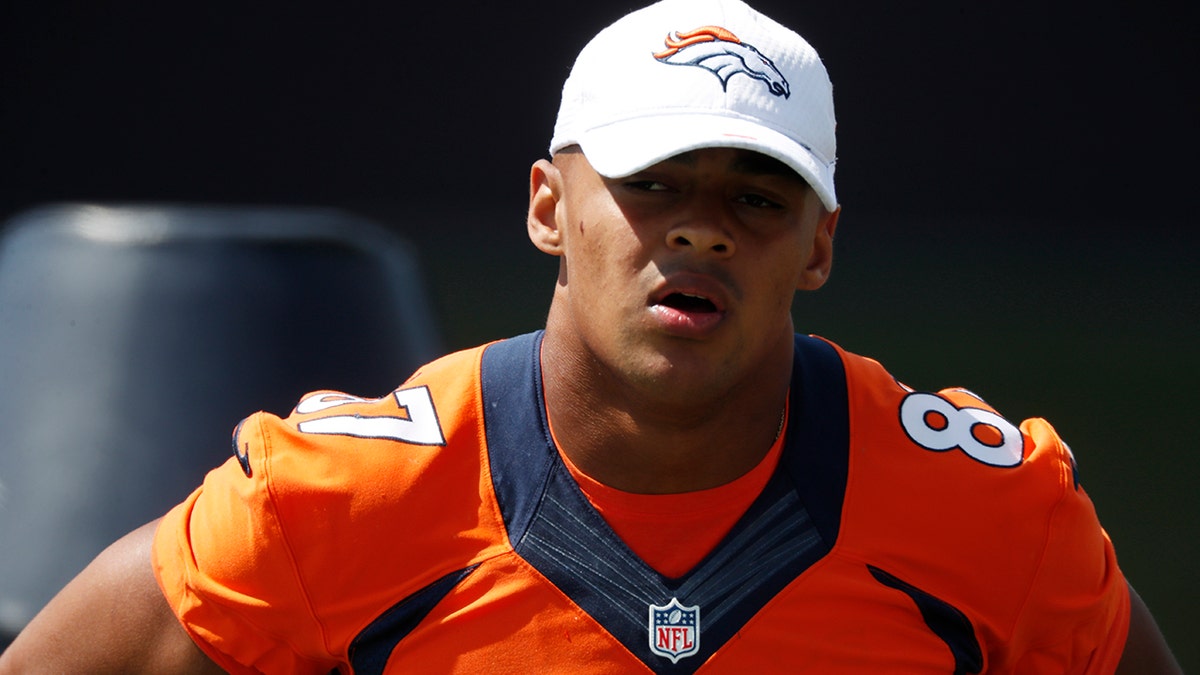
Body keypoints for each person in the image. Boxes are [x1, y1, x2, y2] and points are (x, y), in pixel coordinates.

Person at [0, 0, 1181, 672]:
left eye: (755, 201)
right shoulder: (333, 502)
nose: (704, 234)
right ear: (547, 207)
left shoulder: (990, 515)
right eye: (657, 185)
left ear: (818, 247)